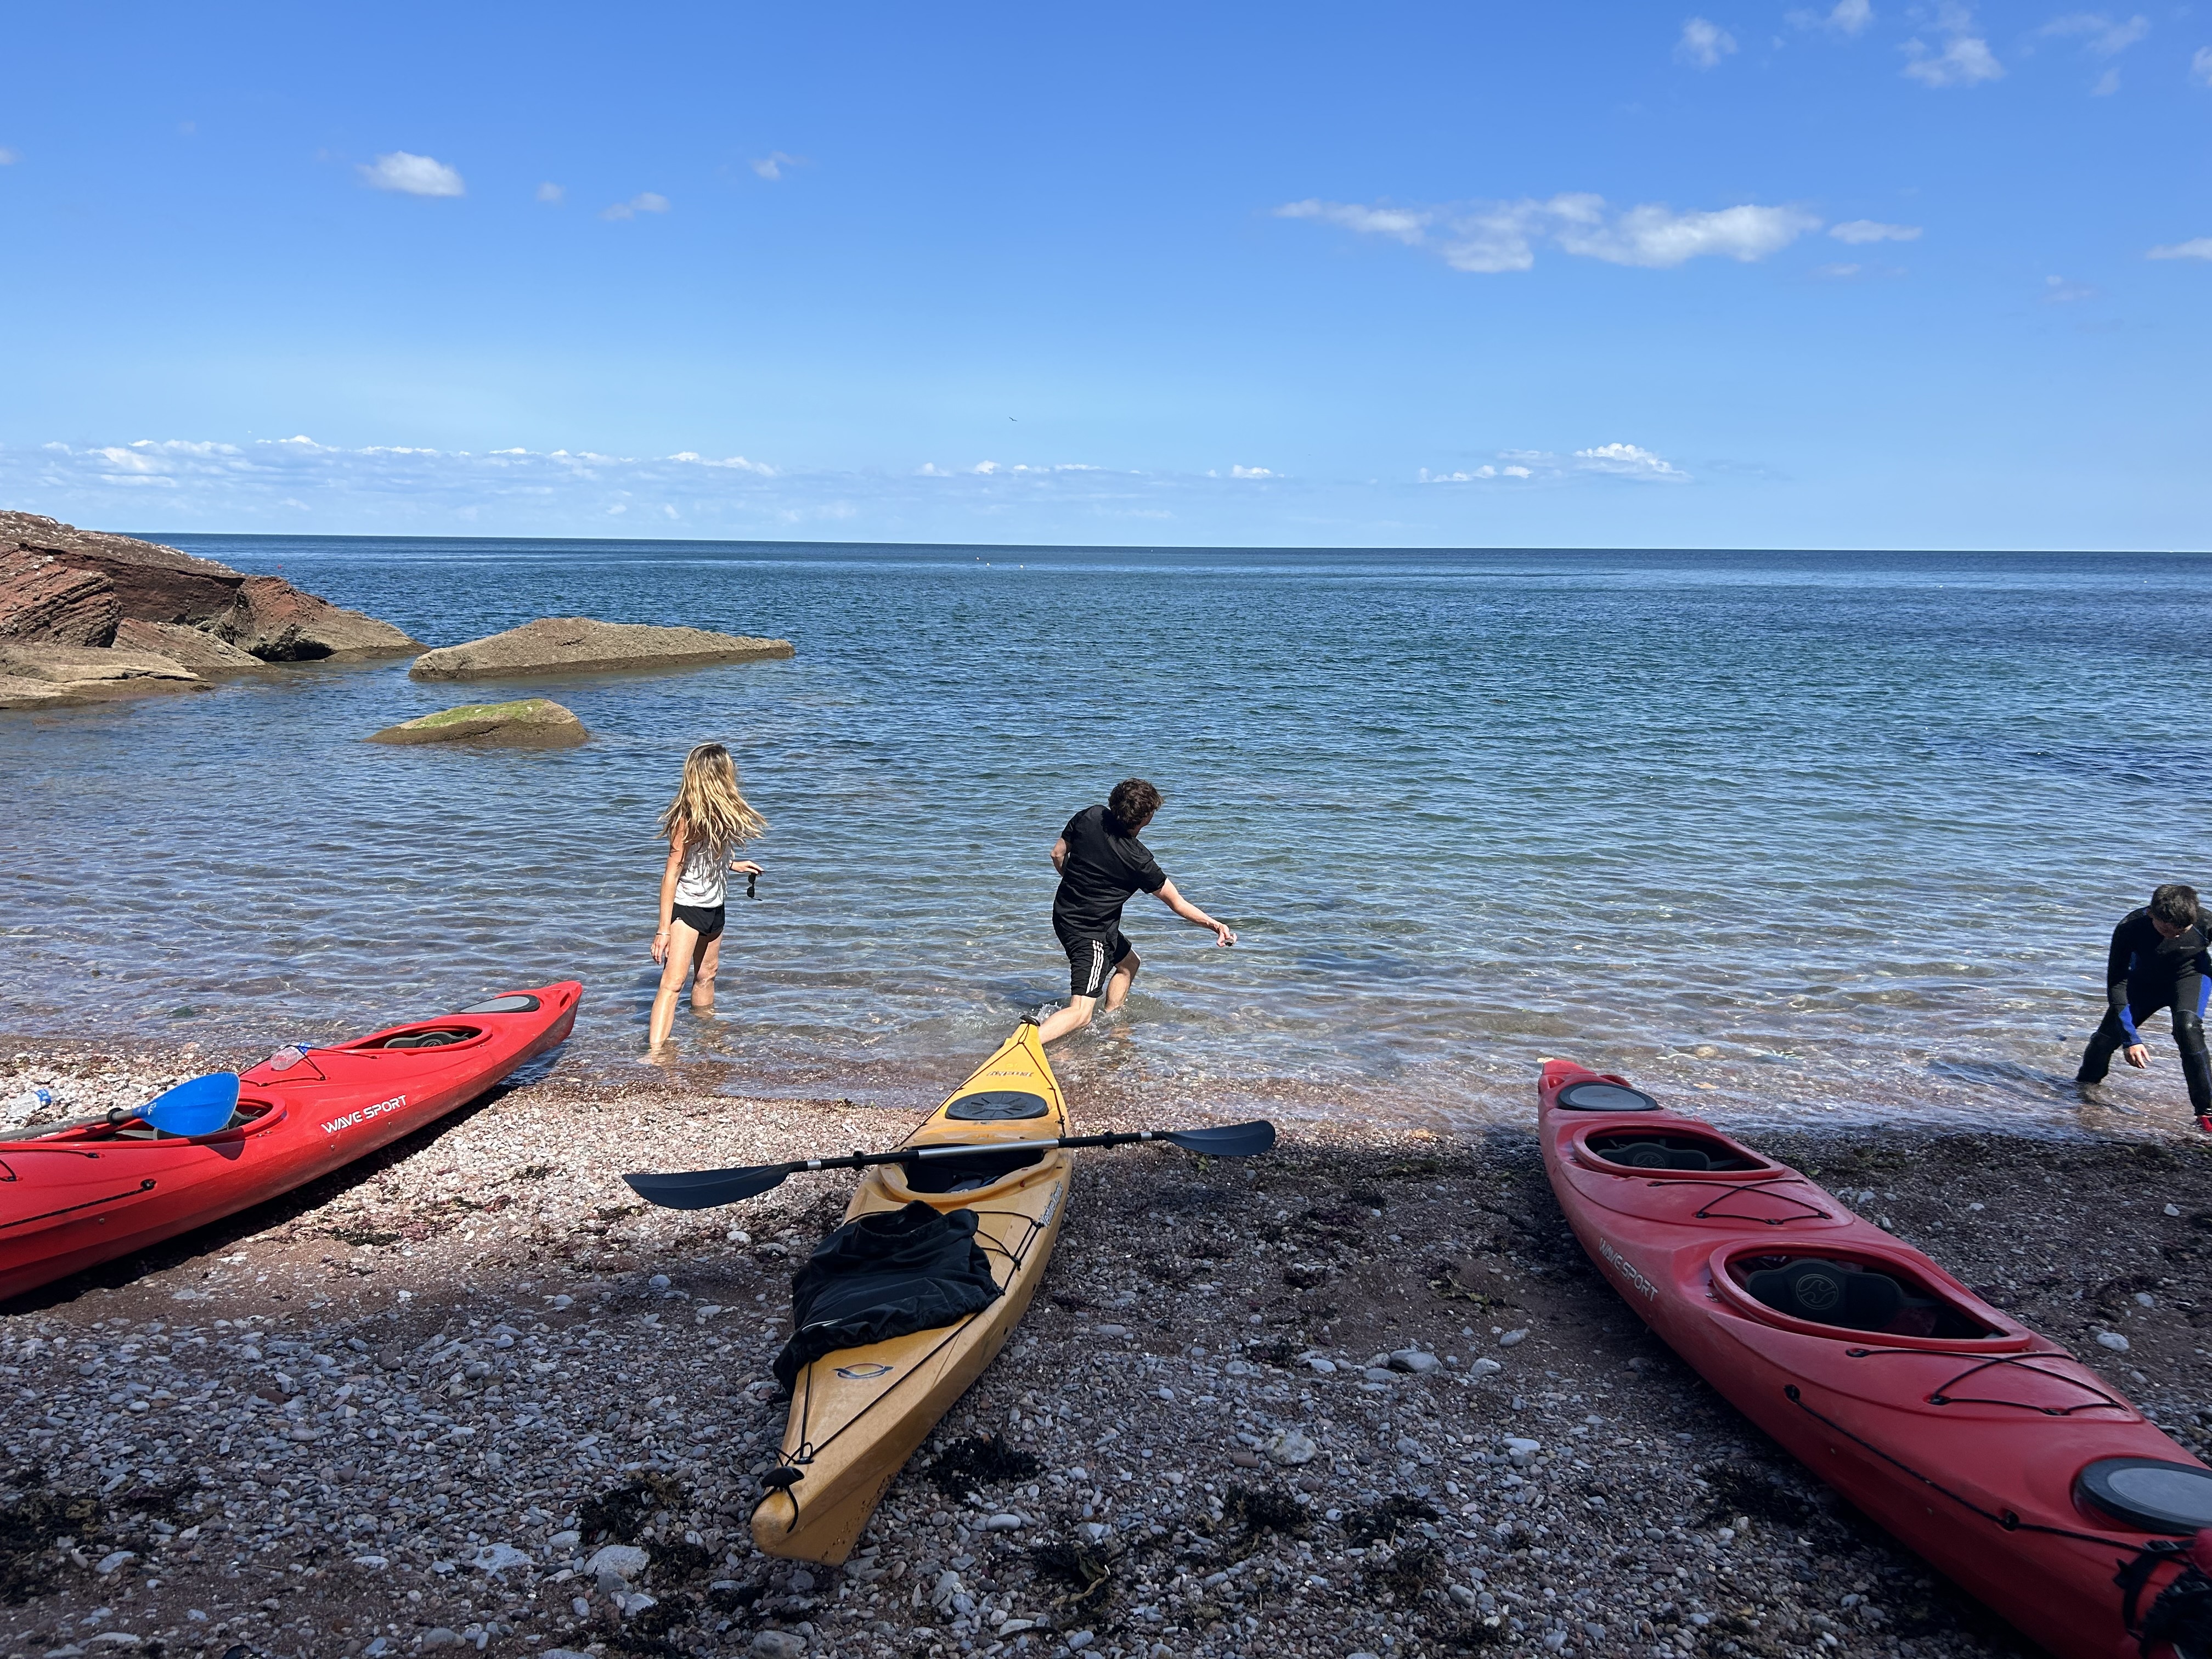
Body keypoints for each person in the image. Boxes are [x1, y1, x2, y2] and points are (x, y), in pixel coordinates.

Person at [1036, 777, 1235, 1043]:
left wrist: (1075, 883)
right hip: (1090, 932)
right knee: (1082, 1012)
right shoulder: (1139, 861)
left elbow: (1057, 854)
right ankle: (1021, 1047)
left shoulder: (1091, 815)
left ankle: (1112, 1025)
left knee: (1129, 964)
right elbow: (1177, 904)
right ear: (1147, 818)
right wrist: (1215, 925)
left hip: (1064, 913)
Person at [648, 742, 766, 1051]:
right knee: (673, 984)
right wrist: (663, 930)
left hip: (715, 904)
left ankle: (707, 1043)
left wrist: (733, 864)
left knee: (707, 975)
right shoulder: (684, 820)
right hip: (686, 909)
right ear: (717, 775)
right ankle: (657, 1053)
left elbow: (705, 858)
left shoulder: (721, 815)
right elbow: (672, 874)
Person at [2075, 883, 2212, 1130]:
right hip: (2142, 985)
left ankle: (2207, 1113)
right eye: (2168, 930)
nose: (2177, 936)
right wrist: (2131, 1039)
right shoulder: (2130, 928)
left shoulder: (2205, 922)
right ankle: (2083, 1093)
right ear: (2152, 914)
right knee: (2104, 1041)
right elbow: (2116, 984)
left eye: (2184, 930)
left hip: (2190, 978)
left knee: (2188, 1028)